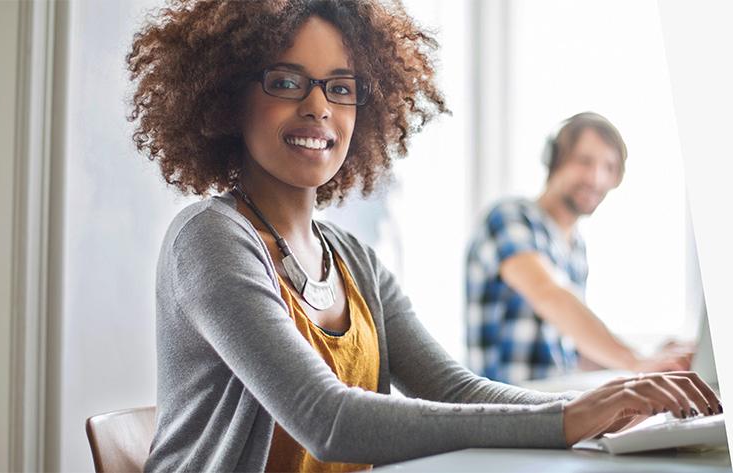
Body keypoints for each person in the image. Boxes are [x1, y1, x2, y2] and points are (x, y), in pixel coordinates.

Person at [126, 2, 721, 471]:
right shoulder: (210, 238)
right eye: (286, 82)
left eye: (341, 86)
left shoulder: (353, 260)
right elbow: (328, 419)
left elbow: (453, 387)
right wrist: (566, 421)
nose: (318, 107)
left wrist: (604, 407)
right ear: (230, 98)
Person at [465, 112, 693, 385]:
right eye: (585, 161)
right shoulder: (510, 218)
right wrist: (635, 360)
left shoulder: (575, 247)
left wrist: (655, 357)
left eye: (609, 167)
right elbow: (548, 294)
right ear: (555, 160)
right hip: (503, 410)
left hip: (553, 403)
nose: (596, 178)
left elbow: (575, 352)